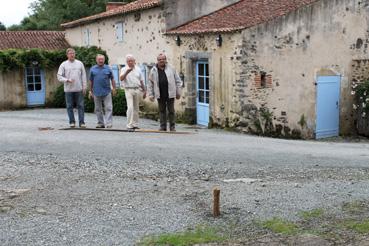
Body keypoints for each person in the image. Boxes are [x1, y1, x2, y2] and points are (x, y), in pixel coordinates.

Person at [148, 53, 182, 132]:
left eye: (163, 59)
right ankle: (163, 127)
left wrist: (178, 92)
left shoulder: (171, 68)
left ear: (165, 60)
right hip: (159, 93)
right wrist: (151, 95)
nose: (161, 61)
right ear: (157, 61)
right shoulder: (153, 70)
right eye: (160, 59)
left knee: (171, 111)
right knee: (162, 111)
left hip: (170, 93)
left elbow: (178, 81)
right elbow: (150, 83)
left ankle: (172, 127)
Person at [57, 48, 87, 128]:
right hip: (68, 90)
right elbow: (59, 76)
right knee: (69, 106)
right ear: (67, 55)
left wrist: (84, 87)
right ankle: (72, 122)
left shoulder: (80, 63)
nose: (72, 55)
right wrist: (67, 80)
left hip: (79, 89)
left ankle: (82, 122)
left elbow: (83, 76)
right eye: (70, 53)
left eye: (73, 53)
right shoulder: (63, 64)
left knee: (81, 106)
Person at [89, 54, 116, 128]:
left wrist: (114, 88)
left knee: (109, 108)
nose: (101, 61)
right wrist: (90, 91)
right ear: (96, 60)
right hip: (96, 92)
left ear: (104, 60)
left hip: (107, 91)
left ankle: (109, 123)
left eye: (102, 59)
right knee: (98, 109)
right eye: (99, 59)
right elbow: (91, 81)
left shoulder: (108, 68)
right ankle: (100, 123)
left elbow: (112, 79)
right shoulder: (92, 69)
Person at [120, 54, 146, 130]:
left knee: (136, 108)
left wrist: (144, 90)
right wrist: (127, 72)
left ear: (134, 61)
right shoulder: (124, 69)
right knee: (130, 107)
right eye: (128, 61)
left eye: (132, 61)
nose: (130, 62)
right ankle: (129, 124)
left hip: (137, 89)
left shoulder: (138, 69)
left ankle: (135, 124)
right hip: (128, 89)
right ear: (127, 62)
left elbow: (141, 80)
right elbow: (121, 78)